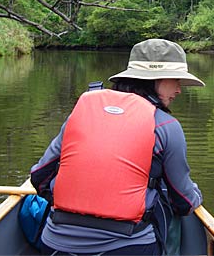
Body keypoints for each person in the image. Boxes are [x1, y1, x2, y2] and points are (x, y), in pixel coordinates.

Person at [30, 39, 204, 255]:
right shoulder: (166, 125)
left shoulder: (82, 112)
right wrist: (195, 195)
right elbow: (184, 201)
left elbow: (39, 176)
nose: (178, 89)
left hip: (56, 246)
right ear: (154, 80)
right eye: (175, 80)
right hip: (129, 247)